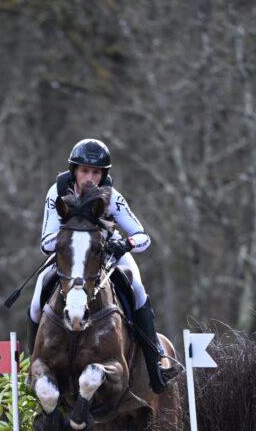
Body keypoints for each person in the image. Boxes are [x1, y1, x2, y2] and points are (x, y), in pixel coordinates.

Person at [27, 138, 179, 393]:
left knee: (138, 288)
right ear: (74, 170)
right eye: (84, 170)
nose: (89, 177)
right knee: (36, 299)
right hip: (71, 255)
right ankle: (32, 367)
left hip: (107, 253)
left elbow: (143, 236)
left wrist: (125, 244)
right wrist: (72, 238)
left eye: (96, 172)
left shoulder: (113, 197)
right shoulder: (57, 192)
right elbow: (46, 242)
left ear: (103, 174)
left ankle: (156, 363)